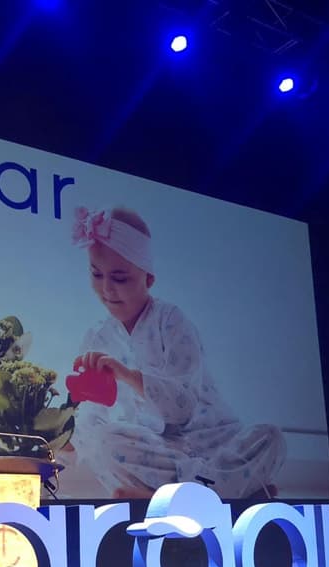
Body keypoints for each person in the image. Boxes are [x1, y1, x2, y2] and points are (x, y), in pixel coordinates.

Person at [69, 205, 286, 499]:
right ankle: (225, 493)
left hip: (214, 441)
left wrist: (127, 375)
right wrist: (66, 436)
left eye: (119, 278)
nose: (107, 289)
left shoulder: (171, 320)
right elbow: (91, 418)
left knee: (271, 437)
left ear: (148, 280)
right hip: (160, 452)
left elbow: (181, 408)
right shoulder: (97, 337)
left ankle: (175, 498)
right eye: (96, 274)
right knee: (106, 441)